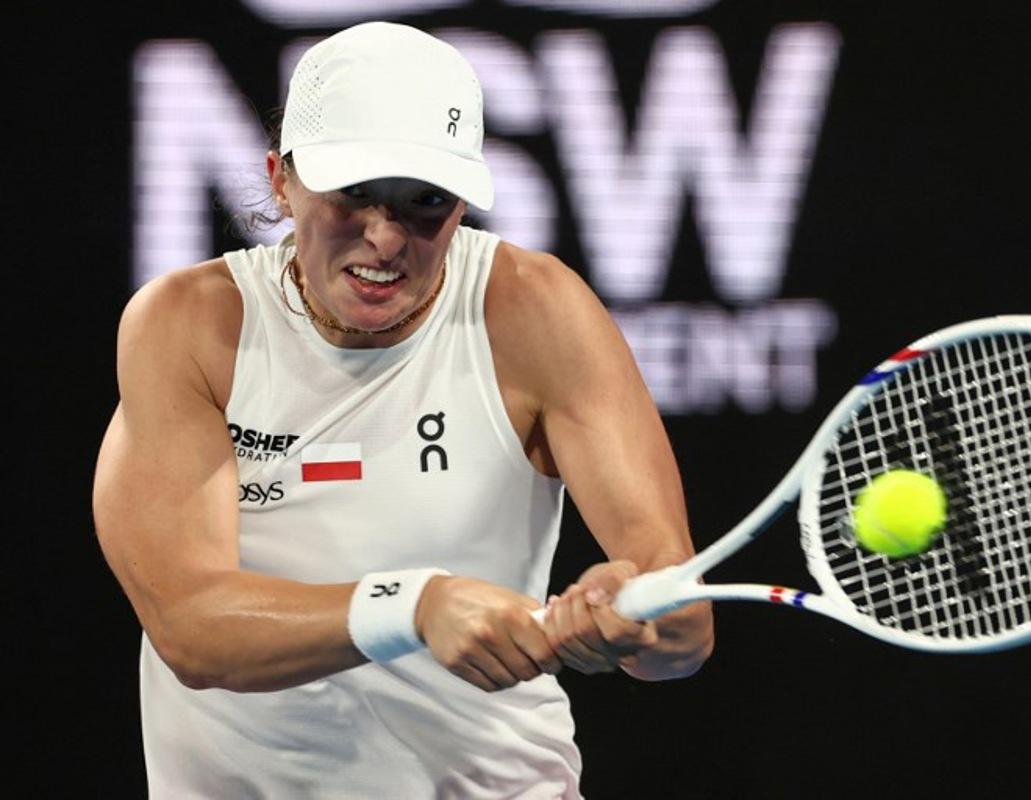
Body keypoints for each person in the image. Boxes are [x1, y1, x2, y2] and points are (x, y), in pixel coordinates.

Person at [92, 20, 713, 798]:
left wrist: (631, 618)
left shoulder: (537, 312)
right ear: (281, 180)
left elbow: (684, 629)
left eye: (426, 203)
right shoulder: (189, 327)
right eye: (354, 195)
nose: (385, 239)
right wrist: (416, 605)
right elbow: (193, 628)